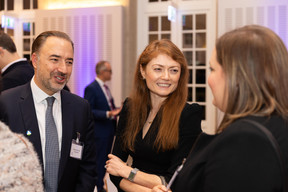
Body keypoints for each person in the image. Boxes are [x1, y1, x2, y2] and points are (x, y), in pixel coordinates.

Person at [152, 25, 288, 192]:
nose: (209, 79)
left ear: (236, 77)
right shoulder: (277, 123)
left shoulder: (245, 140)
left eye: (212, 69)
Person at [0, 31, 97, 192]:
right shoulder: (7, 103)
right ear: (35, 60)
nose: (63, 69)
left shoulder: (81, 108)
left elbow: (87, 168)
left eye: (69, 61)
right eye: (55, 60)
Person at [105, 39, 202, 192]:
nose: (166, 76)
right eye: (158, 69)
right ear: (143, 71)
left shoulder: (189, 114)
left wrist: (128, 172)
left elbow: (176, 179)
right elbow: (113, 170)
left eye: (174, 70)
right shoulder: (130, 107)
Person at [84, 60, 121, 192]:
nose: (111, 74)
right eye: (110, 71)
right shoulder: (91, 88)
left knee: (105, 162)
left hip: (109, 131)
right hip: (99, 133)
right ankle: (98, 188)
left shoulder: (105, 88)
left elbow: (109, 107)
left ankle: (101, 186)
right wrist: (108, 113)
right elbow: (89, 110)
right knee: (99, 163)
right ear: (102, 72)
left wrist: (118, 109)